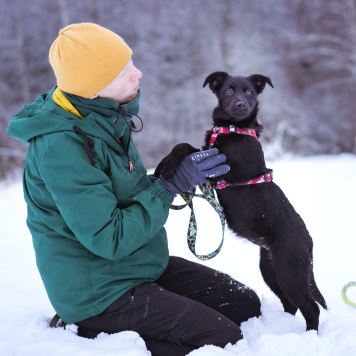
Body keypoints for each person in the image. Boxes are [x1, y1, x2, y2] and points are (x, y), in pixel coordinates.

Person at [7, 23, 261, 355]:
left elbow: (125, 194)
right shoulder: (62, 147)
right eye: (123, 71)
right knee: (224, 339)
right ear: (93, 87)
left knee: (244, 305)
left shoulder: (104, 118)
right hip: (98, 291)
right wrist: (169, 186)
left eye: (131, 62)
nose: (137, 73)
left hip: (138, 266)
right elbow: (108, 237)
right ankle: (90, 337)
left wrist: (176, 174)